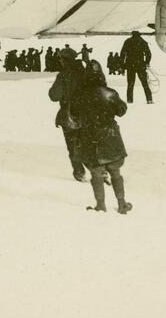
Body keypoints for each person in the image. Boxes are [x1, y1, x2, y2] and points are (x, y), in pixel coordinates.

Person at [70, 61, 131, 214]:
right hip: (110, 137)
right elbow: (121, 110)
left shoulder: (79, 96)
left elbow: (74, 115)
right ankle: (122, 203)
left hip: (90, 138)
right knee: (115, 172)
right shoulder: (109, 93)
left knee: (96, 173)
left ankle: (100, 205)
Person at [48, 48, 87, 182]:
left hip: (69, 115)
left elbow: (54, 96)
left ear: (65, 60)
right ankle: (101, 170)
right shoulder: (85, 72)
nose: (59, 60)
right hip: (88, 114)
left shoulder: (63, 75)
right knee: (90, 142)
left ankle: (79, 171)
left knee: (73, 144)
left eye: (61, 58)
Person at [120, 30, 153, 104]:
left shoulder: (128, 41)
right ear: (139, 35)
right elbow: (148, 54)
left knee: (130, 84)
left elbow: (122, 54)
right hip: (140, 65)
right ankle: (149, 99)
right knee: (145, 83)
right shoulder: (143, 42)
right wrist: (147, 63)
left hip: (130, 65)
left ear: (132, 35)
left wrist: (122, 66)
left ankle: (129, 100)